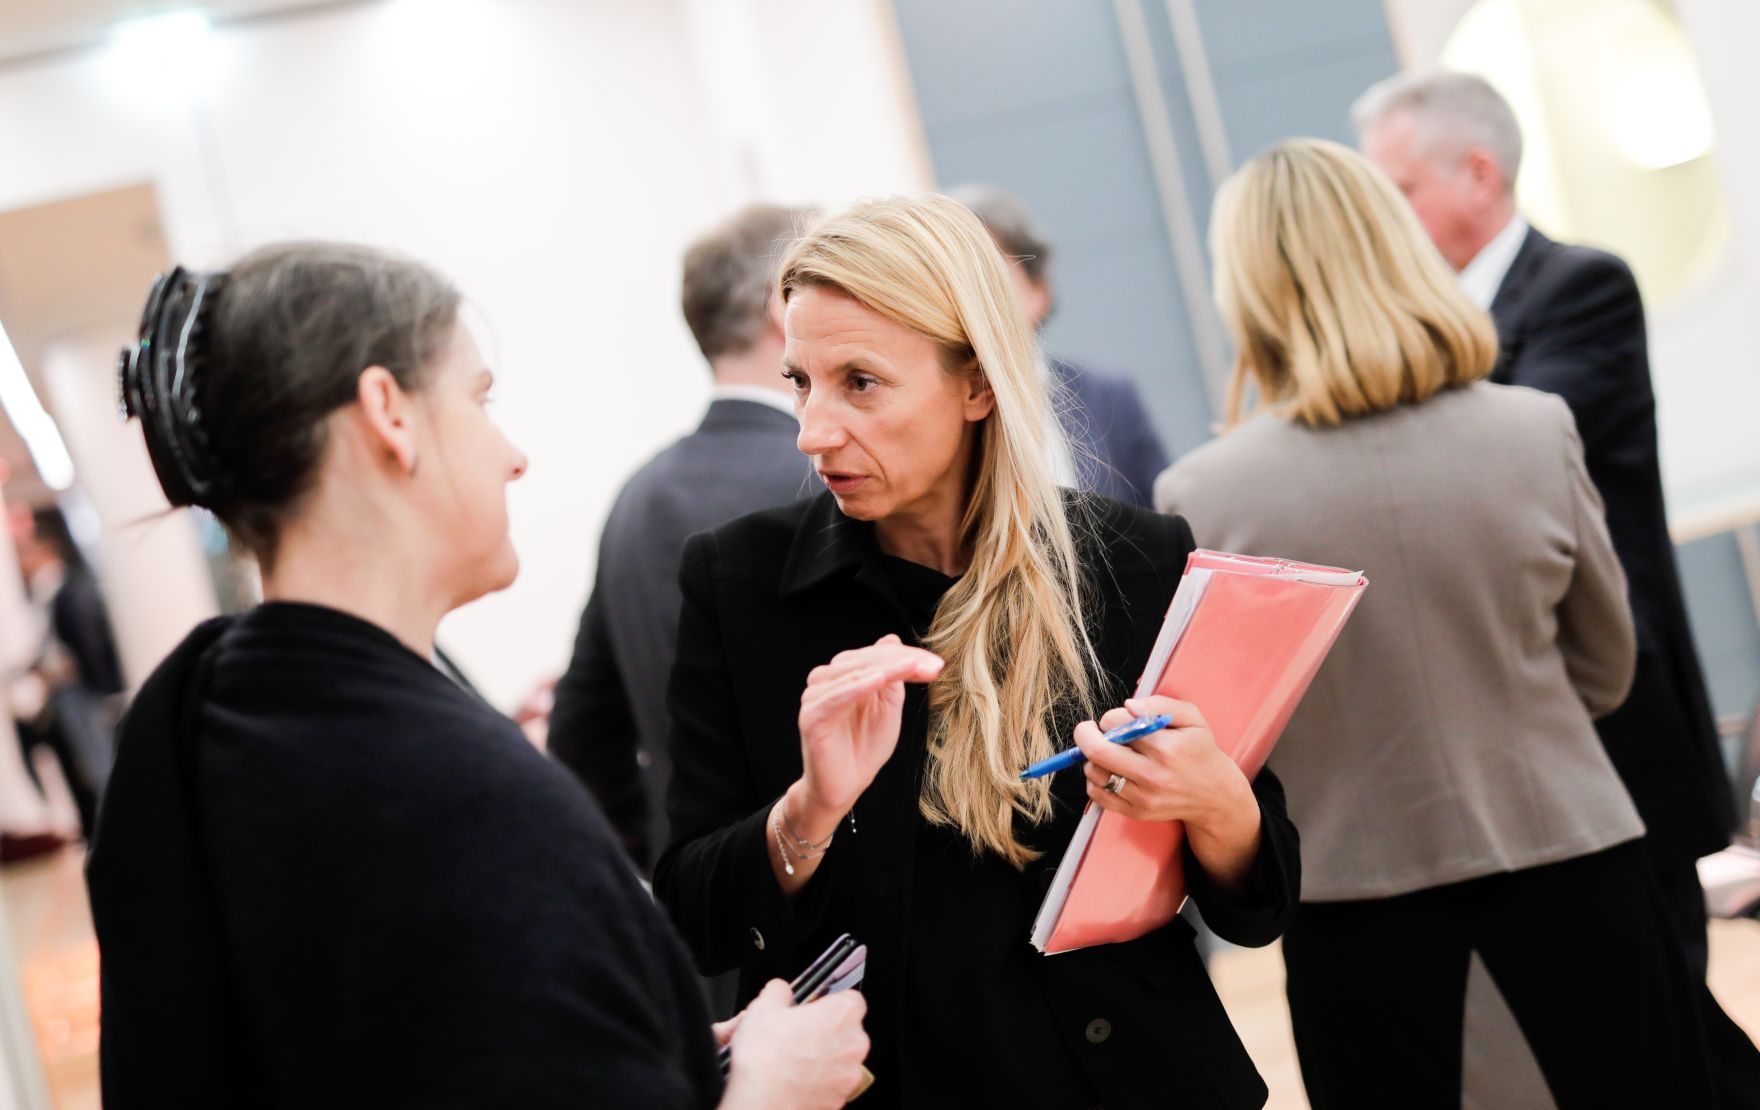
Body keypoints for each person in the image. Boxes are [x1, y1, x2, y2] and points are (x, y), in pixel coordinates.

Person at [87, 243, 868, 1108]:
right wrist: (772, 1090)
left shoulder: (189, 725)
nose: (513, 454)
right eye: (479, 399)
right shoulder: (442, 792)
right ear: (389, 413)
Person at [653, 194, 1297, 1110]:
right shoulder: (739, 584)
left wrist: (1216, 802)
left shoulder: (1132, 560)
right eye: (800, 381)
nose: (812, 431)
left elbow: (1259, 903)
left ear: (977, 384)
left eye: (861, 383)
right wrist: (810, 809)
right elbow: (693, 911)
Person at [1155, 138, 1712, 1108]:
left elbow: (1234, 742)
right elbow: (1604, 666)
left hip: (1353, 905)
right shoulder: (1532, 428)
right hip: (1573, 861)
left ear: (1242, 286)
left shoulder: (1202, 495)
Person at [1355, 69, 1759, 1103]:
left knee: (1664, 1008)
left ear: (1477, 173)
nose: (1384, 222)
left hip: (1613, 706)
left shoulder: (1577, 286)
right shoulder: (1421, 329)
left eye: (1395, 189)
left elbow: (1517, 448)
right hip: (1515, 729)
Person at [550, 204, 814, 872]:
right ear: (783, 311)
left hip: (701, 915)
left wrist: (664, 857)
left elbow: (583, 733)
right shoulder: (833, 477)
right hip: (838, 916)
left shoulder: (635, 497)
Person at [949, 184, 1170, 508]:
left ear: (1039, 291)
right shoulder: (933, 415)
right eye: (955, 281)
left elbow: (1167, 528)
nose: (974, 299)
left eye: (990, 276)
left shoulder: (1110, 396)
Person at [9, 504, 124, 838]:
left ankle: (116, 828)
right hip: (67, 695)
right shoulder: (47, 596)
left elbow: (86, 649)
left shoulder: (70, 592)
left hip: (83, 692)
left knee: (99, 759)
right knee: (87, 762)